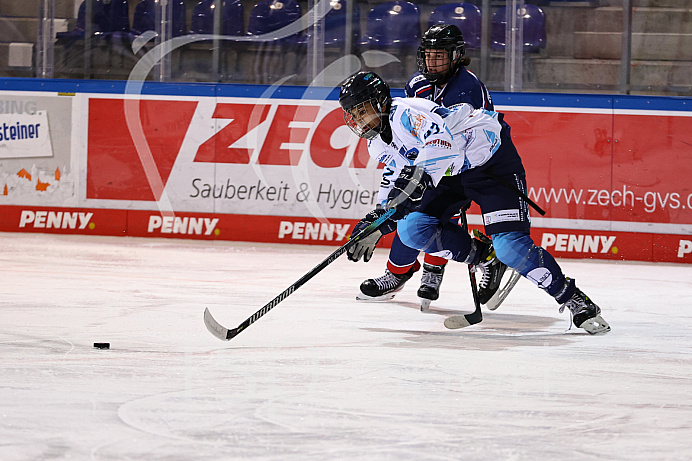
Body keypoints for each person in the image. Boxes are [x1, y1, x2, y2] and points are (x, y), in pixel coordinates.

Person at [340, 70, 611, 335]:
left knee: (511, 248)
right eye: (352, 114)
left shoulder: (405, 114)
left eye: (361, 111)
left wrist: (412, 187)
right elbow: (393, 186)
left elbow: (440, 143)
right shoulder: (377, 144)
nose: (357, 120)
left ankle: (573, 299)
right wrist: (375, 221)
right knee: (411, 229)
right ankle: (484, 256)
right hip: (450, 173)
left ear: (381, 102)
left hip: (490, 164)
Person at [356, 24, 499, 310]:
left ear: (456, 55)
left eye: (440, 55)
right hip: (432, 157)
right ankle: (399, 273)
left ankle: (435, 270)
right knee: (411, 208)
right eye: (429, 55)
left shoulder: (468, 86)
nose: (432, 62)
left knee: (429, 208)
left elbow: (453, 139)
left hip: (468, 161)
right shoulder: (417, 84)